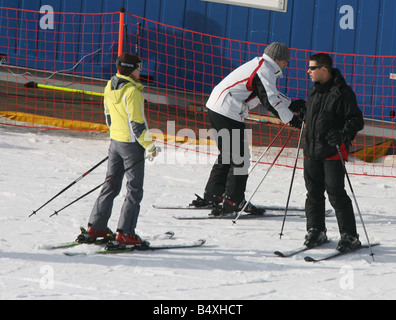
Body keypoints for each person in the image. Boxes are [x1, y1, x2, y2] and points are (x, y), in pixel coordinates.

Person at [191, 42, 305, 215]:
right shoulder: (264, 70)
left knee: (229, 154)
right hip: (227, 110)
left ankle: (214, 194)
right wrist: (292, 120)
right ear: (278, 59)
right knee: (240, 157)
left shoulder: (261, 66)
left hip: (217, 106)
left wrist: (291, 104)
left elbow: (267, 92)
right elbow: (270, 100)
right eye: (286, 61)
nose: (286, 65)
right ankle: (233, 200)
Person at [85, 53, 158, 246]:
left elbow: (108, 116)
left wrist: (116, 137)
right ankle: (126, 233)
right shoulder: (132, 92)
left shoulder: (109, 85)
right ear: (131, 69)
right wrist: (150, 146)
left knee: (111, 184)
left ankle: (96, 227)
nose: (139, 71)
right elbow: (137, 124)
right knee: (134, 189)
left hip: (115, 142)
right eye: (138, 68)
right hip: (132, 145)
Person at [303, 53, 364, 252]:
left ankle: (349, 235)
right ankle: (316, 230)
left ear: (324, 69)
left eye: (312, 68)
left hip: (332, 152)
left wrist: (343, 133)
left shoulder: (343, 92)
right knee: (313, 193)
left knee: (336, 194)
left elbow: (355, 119)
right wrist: (301, 112)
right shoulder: (314, 91)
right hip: (311, 151)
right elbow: (316, 117)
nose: (308, 71)